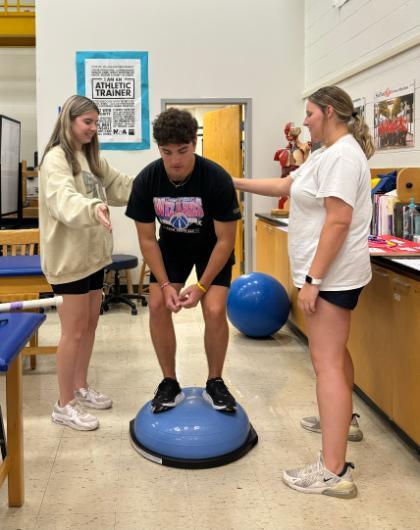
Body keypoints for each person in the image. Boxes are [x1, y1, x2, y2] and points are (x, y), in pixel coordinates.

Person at [233, 85, 374, 498]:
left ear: (329, 112)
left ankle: (333, 470)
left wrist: (313, 281)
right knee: (336, 353)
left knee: (325, 361)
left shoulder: (345, 157)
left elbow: (338, 221)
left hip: (332, 276)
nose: (306, 121)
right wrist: (231, 181)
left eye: (310, 113)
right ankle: (343, 420)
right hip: (327, 274)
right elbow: (284, 189)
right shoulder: (324, 154)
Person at [126, 108, 241, 413]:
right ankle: (169, 381)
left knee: (215, 309)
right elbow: (148, 240)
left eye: (183, 150)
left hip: (211, 247)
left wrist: (202, 287)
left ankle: (215, 381)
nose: (175, 160)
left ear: (195, 143)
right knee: (157, 304)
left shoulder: (216, 179)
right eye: (167, 152)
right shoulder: (147, 180)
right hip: (172, 247)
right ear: (158, 149)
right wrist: (164, 284)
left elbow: (226, 241)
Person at [39, 95, 134, 431]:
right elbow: (63, 200)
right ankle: (63, 404)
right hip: (69, 261)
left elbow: (121, 187)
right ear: (69, 120)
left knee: (90, 325)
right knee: (73, 331)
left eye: (96, 123)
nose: (94, 130)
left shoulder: (91, 159)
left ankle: (79, 387)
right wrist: (92, 208)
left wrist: (154, 187)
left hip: (94, 258)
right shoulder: (56, 160)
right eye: (87, 122)